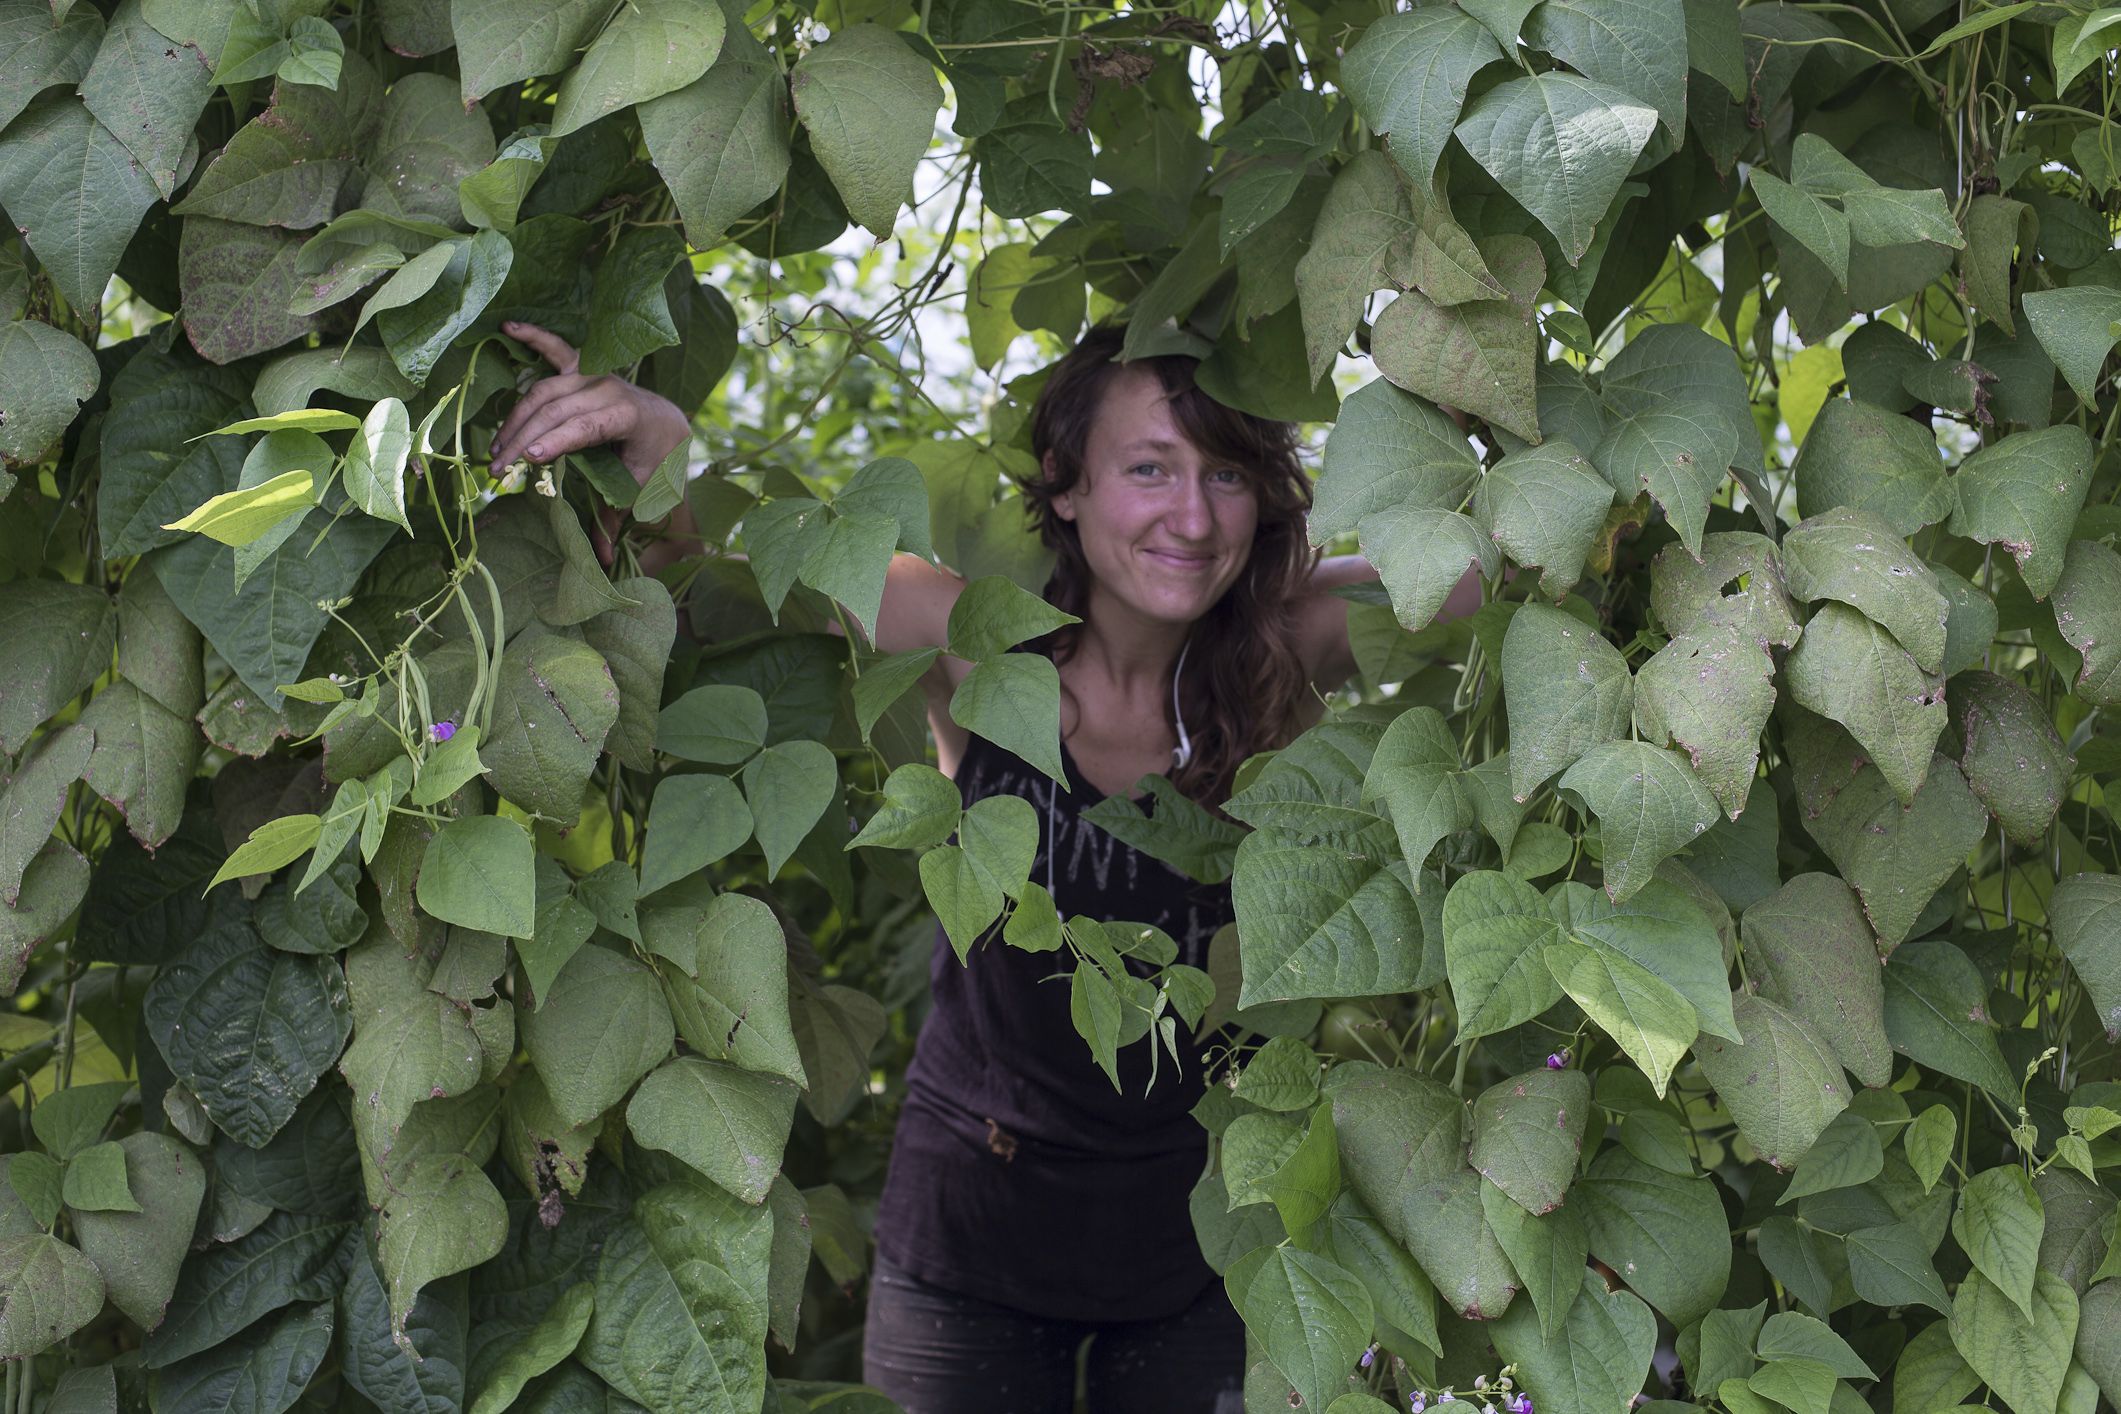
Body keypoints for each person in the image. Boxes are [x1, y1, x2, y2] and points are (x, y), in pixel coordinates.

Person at [487, 319, 1488, 1413]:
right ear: (1065, 486)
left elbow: (1519, 567)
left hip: (1209, 1237)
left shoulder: (1291, 644)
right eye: (1148, 468)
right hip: (974, 1227)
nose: (1193, 518)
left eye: (1228, 473)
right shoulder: (969, 634)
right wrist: (661, 433)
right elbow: (727, 573)